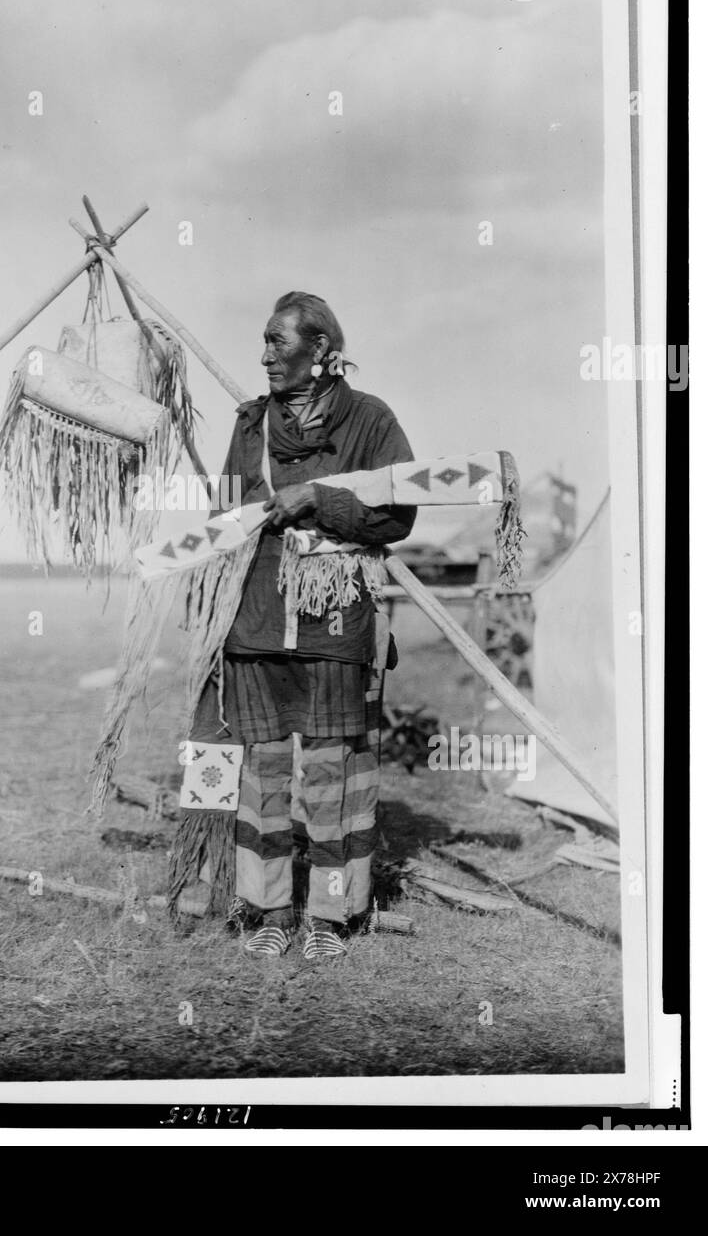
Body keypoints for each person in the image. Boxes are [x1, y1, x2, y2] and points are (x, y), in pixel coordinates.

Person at [176, 291, 416, 960]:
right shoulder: (252, 425)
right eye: (264, 342)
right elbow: (224, 519)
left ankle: (331, 915)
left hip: (333, 623)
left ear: (319, 352)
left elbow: (398, 516)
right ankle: (269, 910)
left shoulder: (371, 422)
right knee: (263, 770)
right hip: (254, 623)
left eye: (277, 343)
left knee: (333, 774)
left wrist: (321, 500)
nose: (264, 356)